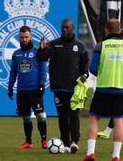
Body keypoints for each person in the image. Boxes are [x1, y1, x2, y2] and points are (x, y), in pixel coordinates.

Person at [83, 19, 123, 161]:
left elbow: (92, 69)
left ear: (106, 30)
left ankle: (90, 153)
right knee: (118, 121)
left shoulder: (101, 46)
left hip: (103, 89)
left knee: (94, 118)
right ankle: (116, 156)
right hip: (120, 89)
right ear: (119, 31)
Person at [37, 18, 89, 154]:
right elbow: (41, 58)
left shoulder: (81, 46)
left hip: (74, 88)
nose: (64, 30)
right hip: (58, 87)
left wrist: (85, 75)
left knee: (73, 115)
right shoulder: (53, 44)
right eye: (62, 28)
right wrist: (41, 49)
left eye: (67, 28)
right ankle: (65, 143)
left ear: (73, 28)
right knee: (62, 117)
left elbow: (85, 65)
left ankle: (74, 142)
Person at [7, 26, 48, 149]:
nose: (24, 39)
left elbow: (43, 69)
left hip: (34, 90)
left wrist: (41, 84)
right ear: (19, 37)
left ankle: (44, 140)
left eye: (26, 37)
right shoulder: (16, 54)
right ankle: (28, 142)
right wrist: (10, 86)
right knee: (25, 116)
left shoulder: (37, 52)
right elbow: (13, 71)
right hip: (21, 90)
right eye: (22, 37)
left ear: (30, 37)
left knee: (40, 115)